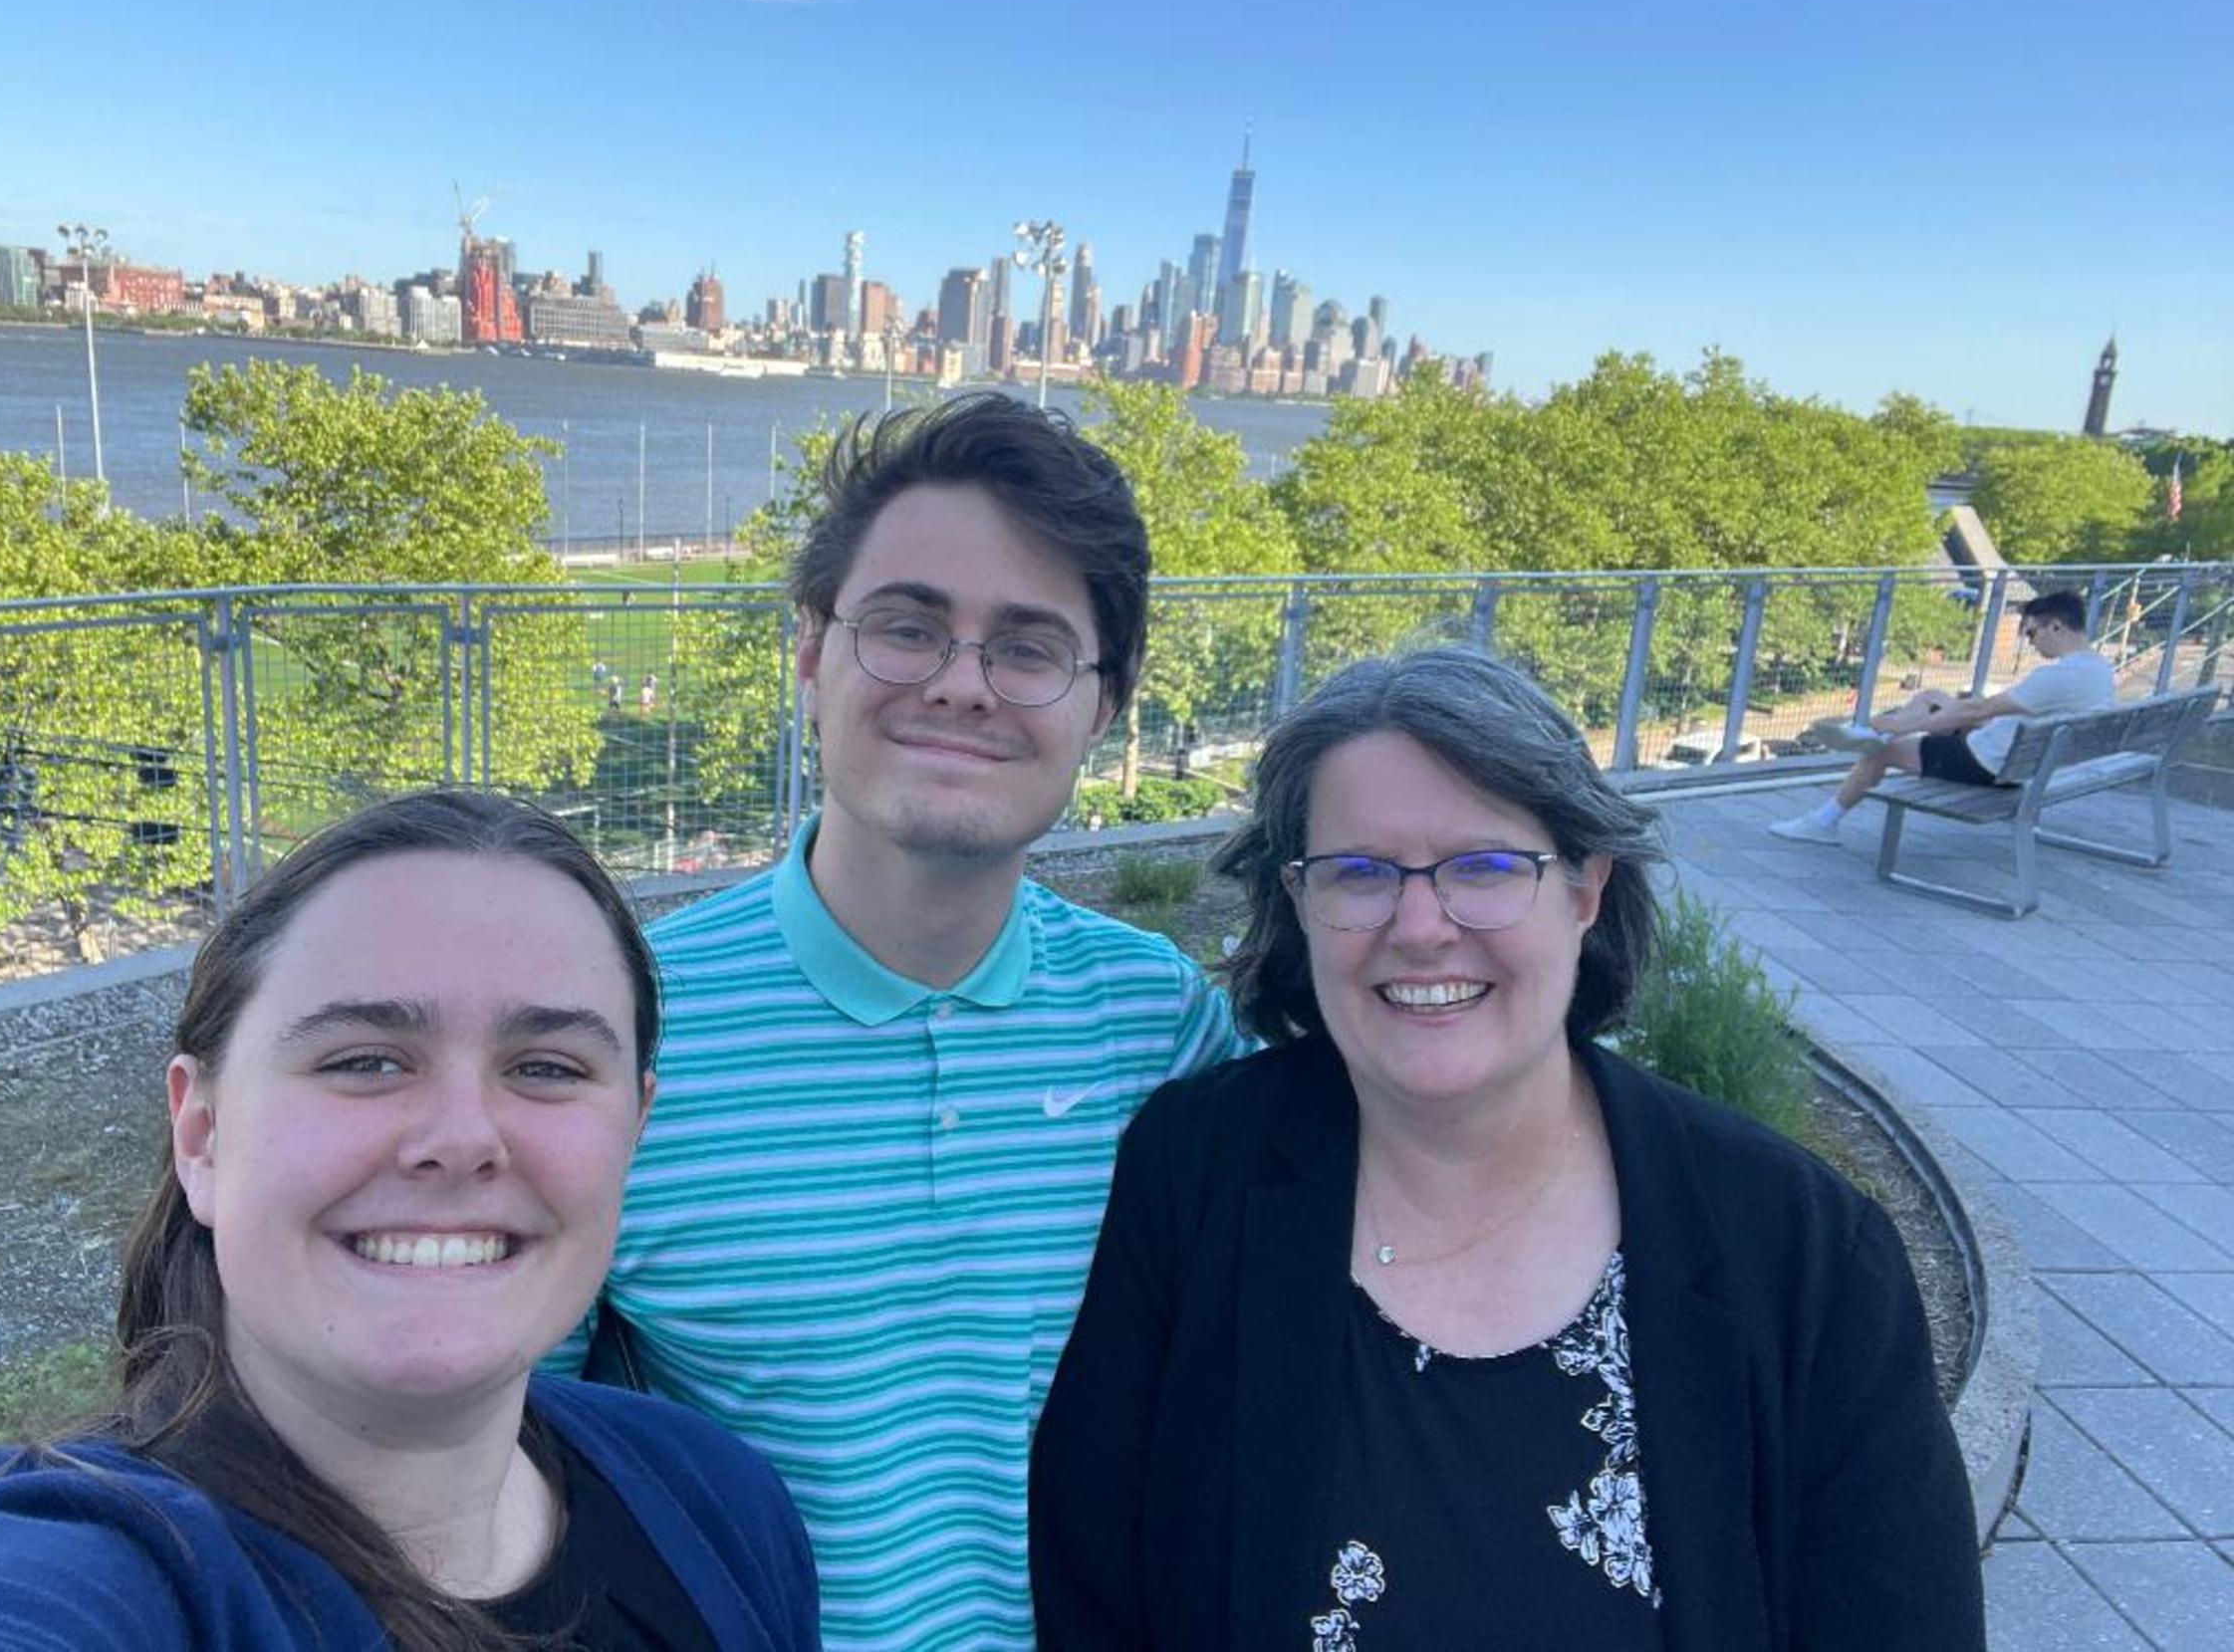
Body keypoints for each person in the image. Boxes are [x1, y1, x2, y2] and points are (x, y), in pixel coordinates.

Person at [1030, 646, 1982, 1650]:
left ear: (1585, 890)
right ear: (1300, 903)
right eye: (1358, 873)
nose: (1421, 926)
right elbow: (1095, 1590)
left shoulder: (1802, 1254)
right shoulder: (1194, 1171)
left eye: (1483, 867)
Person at [556, 392, 1246, 1647]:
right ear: (811, 651)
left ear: (1105, 704)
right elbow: (492, 1459)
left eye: (1029, 647)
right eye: (907, 627)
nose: (962, 684)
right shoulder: (620, 1035)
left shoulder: (1161, 1031)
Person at [0, 791, 818, 1651]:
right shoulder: (75, 1570)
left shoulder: (714, 1496)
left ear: (634, 1129)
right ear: (204, 1132)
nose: (462, 1137)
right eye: (365, 1059)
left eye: (548, 1068)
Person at [1770, 590, 2116, 844]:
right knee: (1932, 697)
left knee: (1880, 752)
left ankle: (1824, 821)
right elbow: (1991, 710)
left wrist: (1909, 726)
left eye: (2031, 633)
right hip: (2023, 755)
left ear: (2055, 627)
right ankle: (1880, 730)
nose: (2031, 643)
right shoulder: (2099, 668)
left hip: (1989, 763)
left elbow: (1977, 710)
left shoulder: (2056, 676)